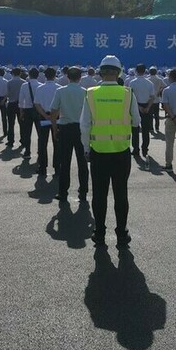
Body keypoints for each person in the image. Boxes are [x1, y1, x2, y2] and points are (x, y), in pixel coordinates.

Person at [81, 55, 140, 248]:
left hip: (98, 152)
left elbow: (85, 125)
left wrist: (86, 148)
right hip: (121, 152)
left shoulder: (91, 93)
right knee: (121, 194)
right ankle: (122, 234)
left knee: (99, 195)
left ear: (101, 72)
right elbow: (136, 121)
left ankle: (99, 234)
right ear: (119, 73)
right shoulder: (128, 93)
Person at [50, 66, 89, 203]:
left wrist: (55, 129)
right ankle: (83, 192)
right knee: (82, 162)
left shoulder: (60, 91)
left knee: (64, 162)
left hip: (65, 128)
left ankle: (63, 192)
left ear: (67, 77)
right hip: (80, 129)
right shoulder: (85, 92)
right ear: (80, 77)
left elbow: (54, 111)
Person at [34, 67, 60, 176]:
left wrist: (45, 115)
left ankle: (42, 167)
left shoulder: (40, 88)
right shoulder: (59, 88)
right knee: (57, 143)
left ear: (45, 75)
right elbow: (61, 105)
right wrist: (54, 116)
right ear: (55, 76)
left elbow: (37, 104)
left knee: (42, 143)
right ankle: (57, 167)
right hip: (57, 118)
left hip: (44, 117)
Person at [128, 63, 155, 159]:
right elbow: (152, 97)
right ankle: (145, 149)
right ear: (145, 71)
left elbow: (131, 97)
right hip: (147, 106)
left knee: (135, 129)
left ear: (136, 71)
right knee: (145, 130)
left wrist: (138, 107)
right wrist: (148, 107)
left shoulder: (132, 82)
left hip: (135, 106)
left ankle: (136, 149)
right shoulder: (149, 83)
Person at [18, 67, 42, 159]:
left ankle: (27, 151)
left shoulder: (24, 86)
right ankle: (40, 151)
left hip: (27, 110)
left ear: (29, 75)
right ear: (38, 75)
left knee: (27, 133)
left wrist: (21, 112)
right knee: (40, 133)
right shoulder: (41, 85)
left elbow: (21, 100)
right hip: (39, 111)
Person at [5, 67, 24, 148]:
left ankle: (10, 141)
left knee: (11, 123)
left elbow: (7, 93)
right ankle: (23, 140)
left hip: (11, 103)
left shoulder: (9, 82)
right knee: (22, 124)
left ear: (12, 73)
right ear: (20, 73)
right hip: (21, 105)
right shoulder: (24, 82)